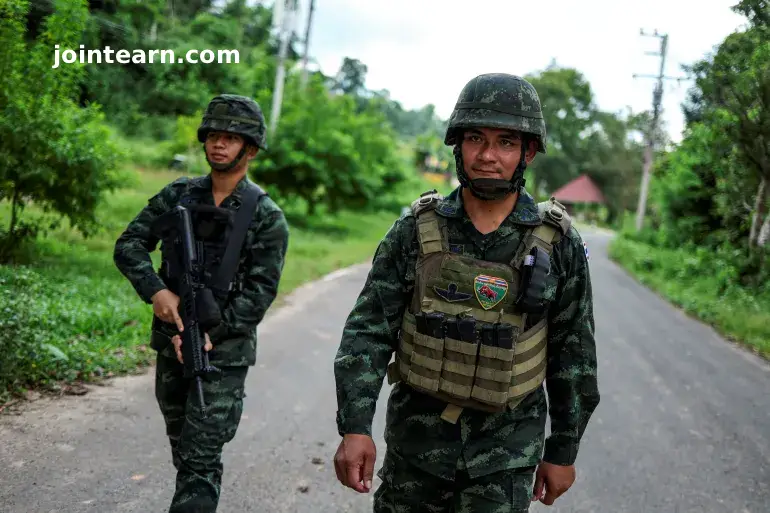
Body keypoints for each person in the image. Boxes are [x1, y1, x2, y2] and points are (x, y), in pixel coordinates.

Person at [332, 73, 600, 512]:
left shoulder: (558, 242)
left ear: (528, 151)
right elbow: (368, 330)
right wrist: (355, 425)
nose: (488, 156)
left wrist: (563, 451)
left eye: (506, 142)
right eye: (476, 138)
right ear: (458, 145)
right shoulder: (416, 230)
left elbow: (574, 354)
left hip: (505, 461)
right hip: (415, 453)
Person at [114, 94, 289, 513]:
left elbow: (259, 294)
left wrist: (207, 335)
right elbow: (130, 245)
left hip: (222, 357)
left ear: (249, 148)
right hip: (170, 345)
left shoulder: (266, 216)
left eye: (230, 138)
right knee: (184, 452)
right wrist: (157, 291)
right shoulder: (177, 195)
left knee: (199, 460)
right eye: (213, 135)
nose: (218, 144)